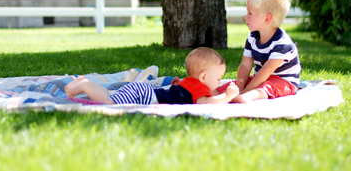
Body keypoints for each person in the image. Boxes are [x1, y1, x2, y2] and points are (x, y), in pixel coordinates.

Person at [214, 0, 301, 103]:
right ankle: (208, 94)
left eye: (250, 13)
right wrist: (240, 86)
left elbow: (267, 70)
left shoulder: (282, 43)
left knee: (265, 88)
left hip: (283, 82)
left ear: (267, 18)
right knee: (233, 86)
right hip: (259, 78)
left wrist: (246, 91)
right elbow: (245, 65)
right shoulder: (252, 37)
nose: (246, 17)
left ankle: (245, 98)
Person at [65, 47, 239, 105]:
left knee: (111, 96)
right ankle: (84, 85)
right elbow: (206, 104)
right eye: (218, 78)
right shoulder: (199, 88)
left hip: (144, 91)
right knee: (109, 102)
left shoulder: (190, 82)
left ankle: (84, 82)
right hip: (145, 95)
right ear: (203, 77)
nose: (219, 82)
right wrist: (228, 96)